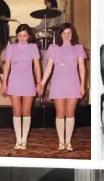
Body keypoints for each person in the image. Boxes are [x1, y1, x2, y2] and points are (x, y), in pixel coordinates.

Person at [38, 23, 87, 151]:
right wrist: (42, 84)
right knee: (60, 112)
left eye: (69, 33)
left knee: (70, 113)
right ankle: (61, 141)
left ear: (73, 34)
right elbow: (48, 68)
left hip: (73, 83)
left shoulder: (78, 47)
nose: (67, 36)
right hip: (58, 83)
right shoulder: (53, 48)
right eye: (64, 33)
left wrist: (83, 85)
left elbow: (82, 68)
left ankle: (68, 141)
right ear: (60, 35)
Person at [2, 24, 42, 150]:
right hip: (14, 81)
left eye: (25, 36)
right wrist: (4, 83)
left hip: (28, 82)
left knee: (26, 111)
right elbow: (7, 66)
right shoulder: (11, 48)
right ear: (17, 36)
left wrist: (39, 83)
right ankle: (18, 139)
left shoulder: (33, 47)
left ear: (29, 36)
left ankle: (24, 140)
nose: (22, 38)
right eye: (20, 36)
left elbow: (37, 67)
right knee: (17, 111)